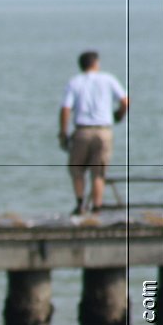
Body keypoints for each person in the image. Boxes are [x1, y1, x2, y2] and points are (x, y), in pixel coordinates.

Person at [59, 51, 128, 215]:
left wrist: (63, 132)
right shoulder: (108, 79)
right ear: (96, 63)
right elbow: (125, 101)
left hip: (82, 131)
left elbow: (66, 109)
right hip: (104, 131)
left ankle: (80, 204)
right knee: (99, 172)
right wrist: (119, 114)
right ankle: (97, 207)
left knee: (77, 170)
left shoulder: (74, 82)